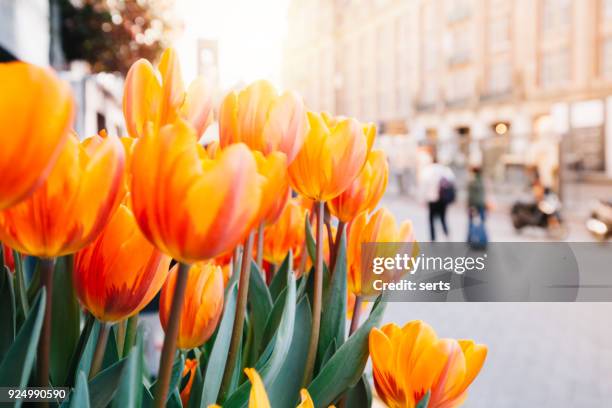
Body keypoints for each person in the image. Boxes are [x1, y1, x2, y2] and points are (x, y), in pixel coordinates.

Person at [419, 154, 455, 241]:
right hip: (443, 198)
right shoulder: (445, 170)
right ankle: (446, 234)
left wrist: (422, 199)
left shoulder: (428, 170)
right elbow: (452, 181)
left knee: (431, 219)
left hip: (432, 198)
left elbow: (424, 185)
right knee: (443, 217)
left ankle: (433, 238)